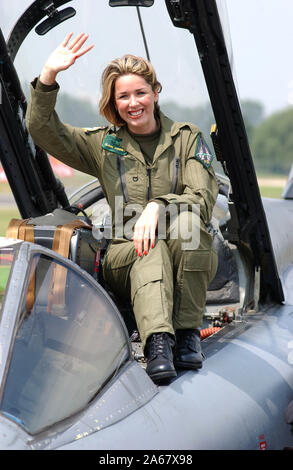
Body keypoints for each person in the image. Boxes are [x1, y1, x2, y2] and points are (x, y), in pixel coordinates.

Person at [26, 32, 219, 384]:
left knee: (189, 225)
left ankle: (188, 332)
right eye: (123, 96)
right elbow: (42, 128)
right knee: (149, 246)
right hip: (122, 257)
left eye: (140, 93)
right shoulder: (105, 145)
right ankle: (159, 343)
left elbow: (203, 198)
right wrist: (48, 76)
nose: (133, 103)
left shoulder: (188, 138)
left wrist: (158, 206)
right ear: (114, 103)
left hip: (181, 249)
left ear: (155, 93)